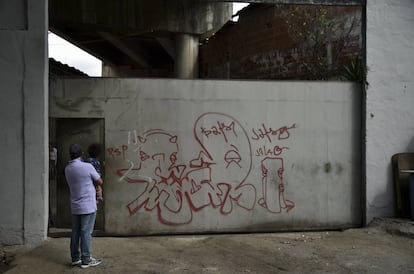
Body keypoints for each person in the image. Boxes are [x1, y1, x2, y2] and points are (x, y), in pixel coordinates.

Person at [65, 144, 103, 268]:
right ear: (81, 154)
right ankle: (86, 259)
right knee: (86, 232)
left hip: (75, 205)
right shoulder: (87, 166)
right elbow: (99, 181)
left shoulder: (68, 168)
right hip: (87, 205)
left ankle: (75, 258)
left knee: (75, 232)